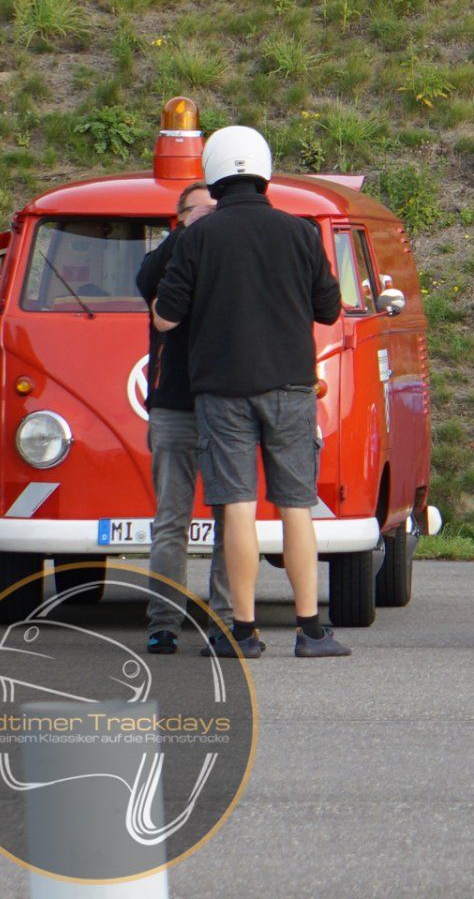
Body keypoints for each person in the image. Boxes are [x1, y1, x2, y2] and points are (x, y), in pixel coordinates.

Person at [153, 126, 347, 658]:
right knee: (295, 508)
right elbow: (328, 309)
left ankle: (243, 633)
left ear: (213, 177)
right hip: (290, 387)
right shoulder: (300, 233)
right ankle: (310, 631)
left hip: (221, 392)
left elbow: (166, 318)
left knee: (237, 507)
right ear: (264, 172)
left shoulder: (198, 237)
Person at [136, 181, 230, 655]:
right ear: (181, 215)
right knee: (170, 520)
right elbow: (143, 282)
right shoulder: (169, 255)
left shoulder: (227, 255)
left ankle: (227, 620)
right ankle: (163, 623)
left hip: (225, 405)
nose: (214, 216)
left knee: (230, 517)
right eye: (204, 209)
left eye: (219, 208)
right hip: (174, 406)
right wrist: (184, 234)